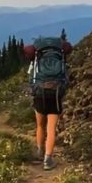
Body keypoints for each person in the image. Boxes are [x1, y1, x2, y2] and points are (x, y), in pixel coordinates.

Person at [23, 32, 72, 170]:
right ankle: (48, 160)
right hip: (56, 93)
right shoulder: (60, 55)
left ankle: (39, 151)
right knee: (51, 128)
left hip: (39, 92)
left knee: (40, 125)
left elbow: (30, 77)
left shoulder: (36, 58)